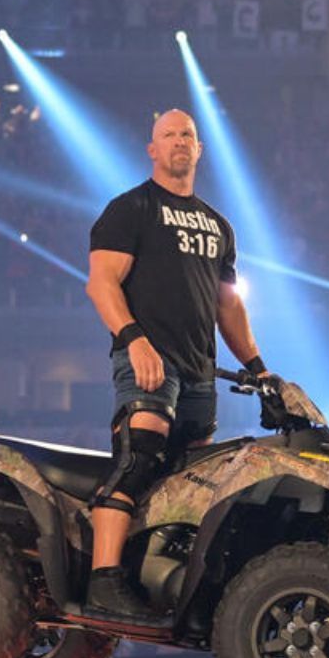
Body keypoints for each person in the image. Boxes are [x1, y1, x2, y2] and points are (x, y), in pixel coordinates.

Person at [84, 109, 268, 623]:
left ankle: (163, 578)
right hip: (147, 358)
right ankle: (103, 579)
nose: (179, 141)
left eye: (187, 134)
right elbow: (101, 283)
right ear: (152, 150)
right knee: (140, 454)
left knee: (191, 481)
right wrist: (133, 339)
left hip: (199, 371)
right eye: (169, 135)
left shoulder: (218, 226)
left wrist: (257, 367)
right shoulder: (130, 209)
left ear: (200, 148)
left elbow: (228, 306)